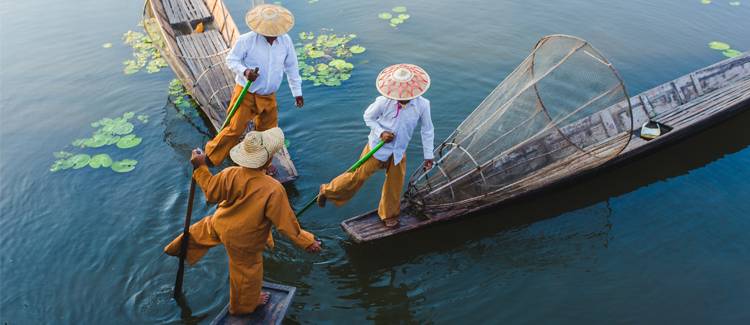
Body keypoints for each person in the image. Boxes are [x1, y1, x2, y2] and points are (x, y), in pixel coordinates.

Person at [164, 127, 322, 315]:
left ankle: (178, 248)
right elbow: (287, 225)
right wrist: (307, 241)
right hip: (244, 239)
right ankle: (243, 305)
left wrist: (200, 167)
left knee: (202, 231)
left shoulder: (230, 173)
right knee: (247, 271)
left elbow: (211, 192)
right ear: (269, 160)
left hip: (220, 223)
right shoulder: (273, 189)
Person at [317, 64, 435, 227]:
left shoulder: (423, 105)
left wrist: (428, 156)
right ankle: (327, 191)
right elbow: (368, 117)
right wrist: (381, 133)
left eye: (406, 95)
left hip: (398, 152)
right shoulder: (383, 102)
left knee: (395, 185)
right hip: (376, 148)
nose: (402, 98)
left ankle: (388, 215)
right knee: (356, 177)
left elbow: (427, 130)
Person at [204, 4, 304, 169]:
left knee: (268, 134)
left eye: (275, 33)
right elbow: (231, 60)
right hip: (246, 94)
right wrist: (245, 71)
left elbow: (292, 67)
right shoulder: (247, 40)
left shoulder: (285, 41)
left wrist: (297, 93)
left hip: (269, 96)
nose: (273, 37)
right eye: (269, 33)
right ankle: (209, 158)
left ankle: (263, 165)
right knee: (234, 129)